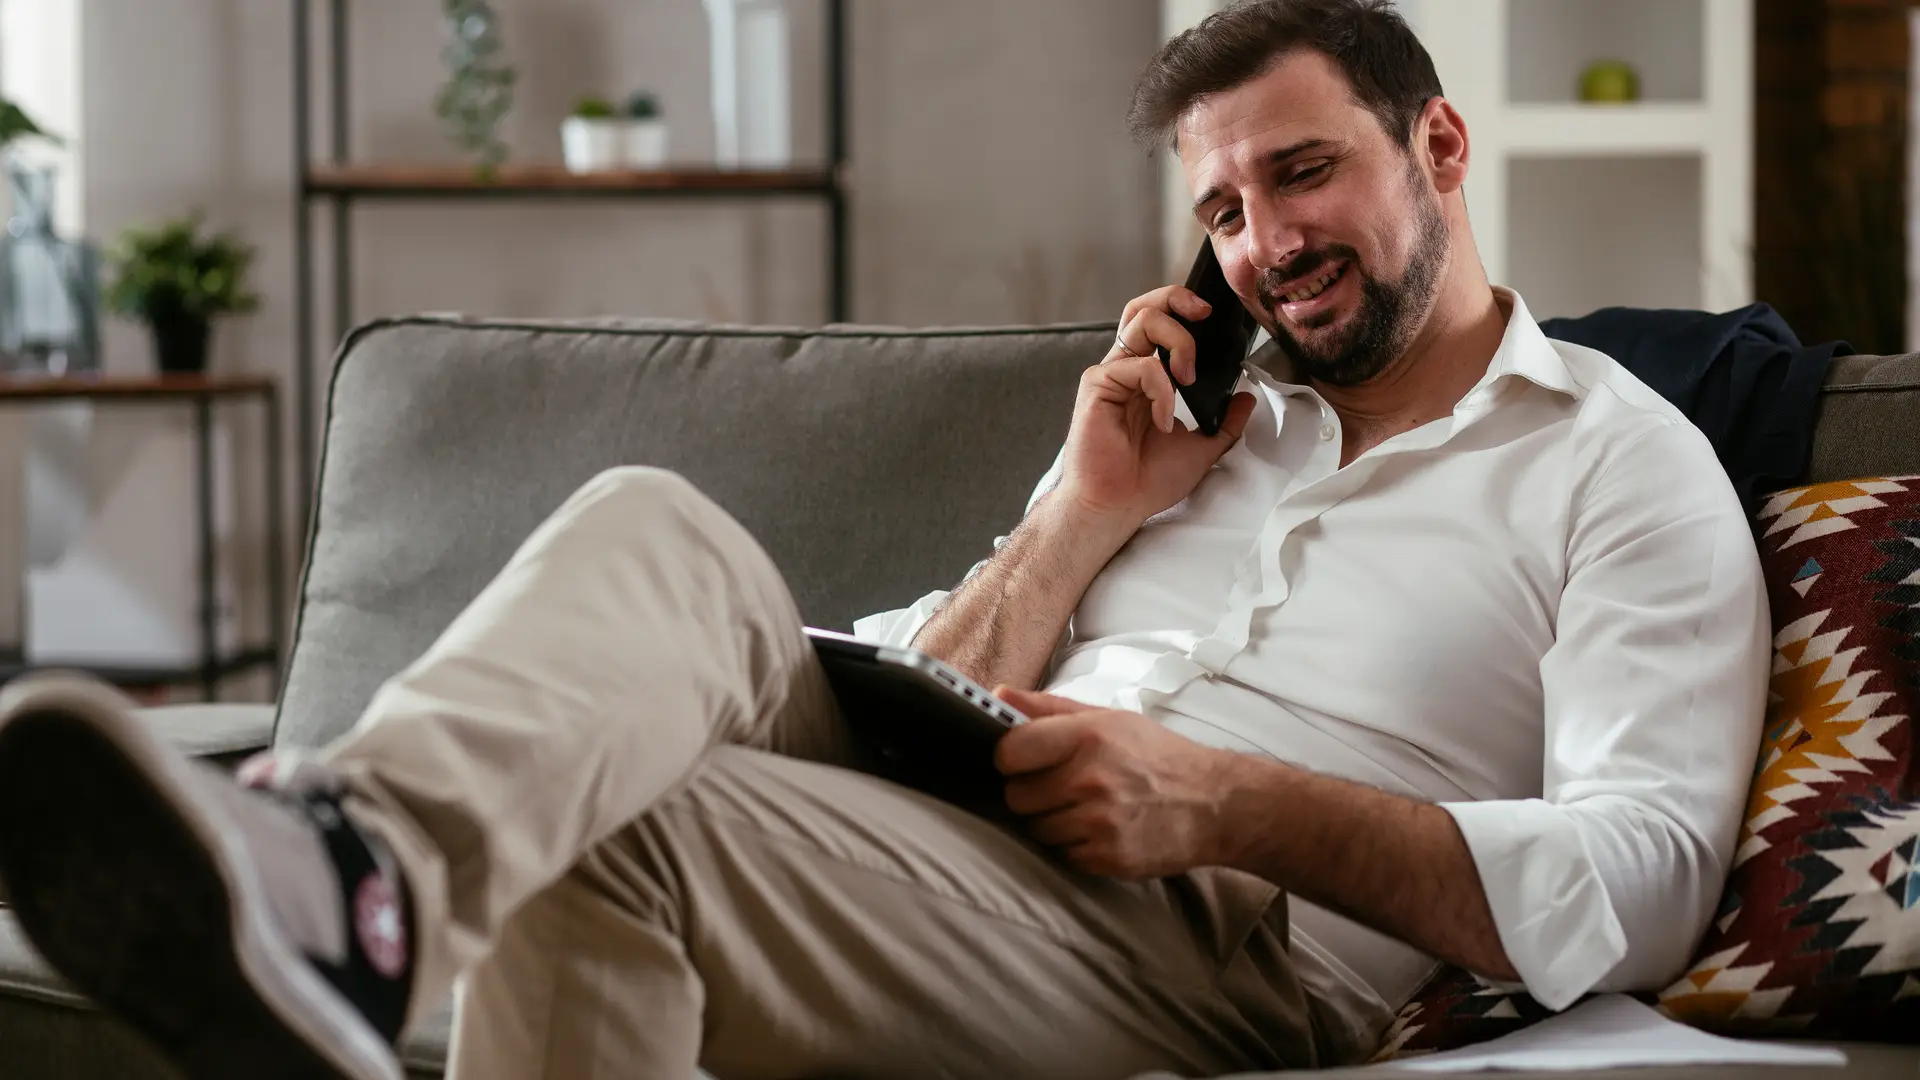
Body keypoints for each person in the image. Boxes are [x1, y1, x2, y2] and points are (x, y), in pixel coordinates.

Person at [0, 2, 1769, 1077]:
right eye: (1220, 207)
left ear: (1438, 145)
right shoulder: (1192, 432)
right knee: (656, 530)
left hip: (1222, 936)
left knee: (630, 823)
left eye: (1301, 175)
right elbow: (944, 685)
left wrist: (1221, 801)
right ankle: (349, 869)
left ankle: (351, 913)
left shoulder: (1623, 470)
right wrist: (1078, 521)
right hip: (981, 824)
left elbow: (1641, 878)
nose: (1258, 244)